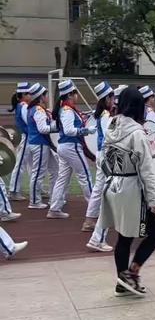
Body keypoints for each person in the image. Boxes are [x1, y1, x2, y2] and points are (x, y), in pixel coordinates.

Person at [99, 86, 155, 297]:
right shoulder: (137, 133)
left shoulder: (111, 125)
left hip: (114, 185)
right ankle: (132, 273)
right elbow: (146, 171)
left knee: (124, 236)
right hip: (131, 189)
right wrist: (154, 202)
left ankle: (122, 281)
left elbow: (102, 160)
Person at [47, 79, 96, 219]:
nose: (77, 96)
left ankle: (55, 208)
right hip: (71, 146)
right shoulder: (68, 111)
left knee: (62, 179)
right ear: (70, 95)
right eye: (75, 93)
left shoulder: (66, 109)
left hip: (64, 147)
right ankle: (95, 209)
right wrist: (86, 130)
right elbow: (69, 130)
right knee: (85, 176)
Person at [83, 81, 115, 253]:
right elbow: (111, 136)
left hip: (103, 155)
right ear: (108, 98)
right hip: (108, 156)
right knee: (109, 196)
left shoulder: (102, 114)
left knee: (101, 190)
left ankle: (91, 222)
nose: (115, 100)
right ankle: (97, 237)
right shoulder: (105, 115)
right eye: (113, 97)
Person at [27, 83, 59, 209]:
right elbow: (43, 129)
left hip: (41, 144)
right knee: (38, 173)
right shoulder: (38, 110)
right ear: (41, 97)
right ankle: (34, 201)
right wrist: (57, 127)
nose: (47, 97)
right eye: (45, 94)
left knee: (54, 170)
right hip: (39, 143)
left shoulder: (36, 109)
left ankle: (54, 198)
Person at [8, 82, 31, 201]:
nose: (31, 96)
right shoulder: (24, 106)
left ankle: (36, 189)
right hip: (25, 137)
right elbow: (29, 123)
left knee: (31, 165)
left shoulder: (20, 105)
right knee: (21, 164)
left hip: (26, 137)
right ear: (23, 95)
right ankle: (14, 191)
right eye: (29, 93)